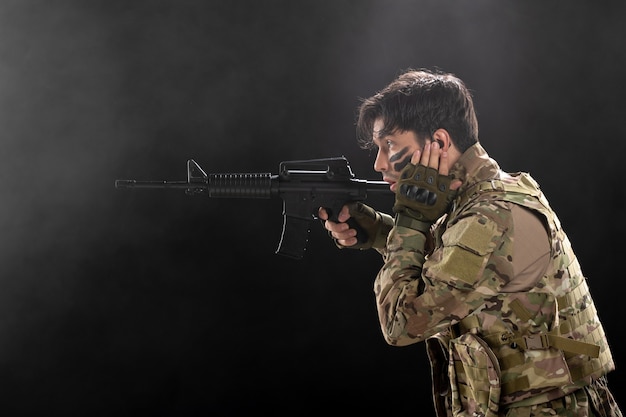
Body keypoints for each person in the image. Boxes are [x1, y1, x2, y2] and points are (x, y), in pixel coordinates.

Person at [319, 68, 622, 417]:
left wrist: (411, 221)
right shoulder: (480, 200)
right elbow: (451, 269)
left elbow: (402, 323)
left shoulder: (492, 217)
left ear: (441, 143)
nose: (378, 164)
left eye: (389, 145)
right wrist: (379, 233)